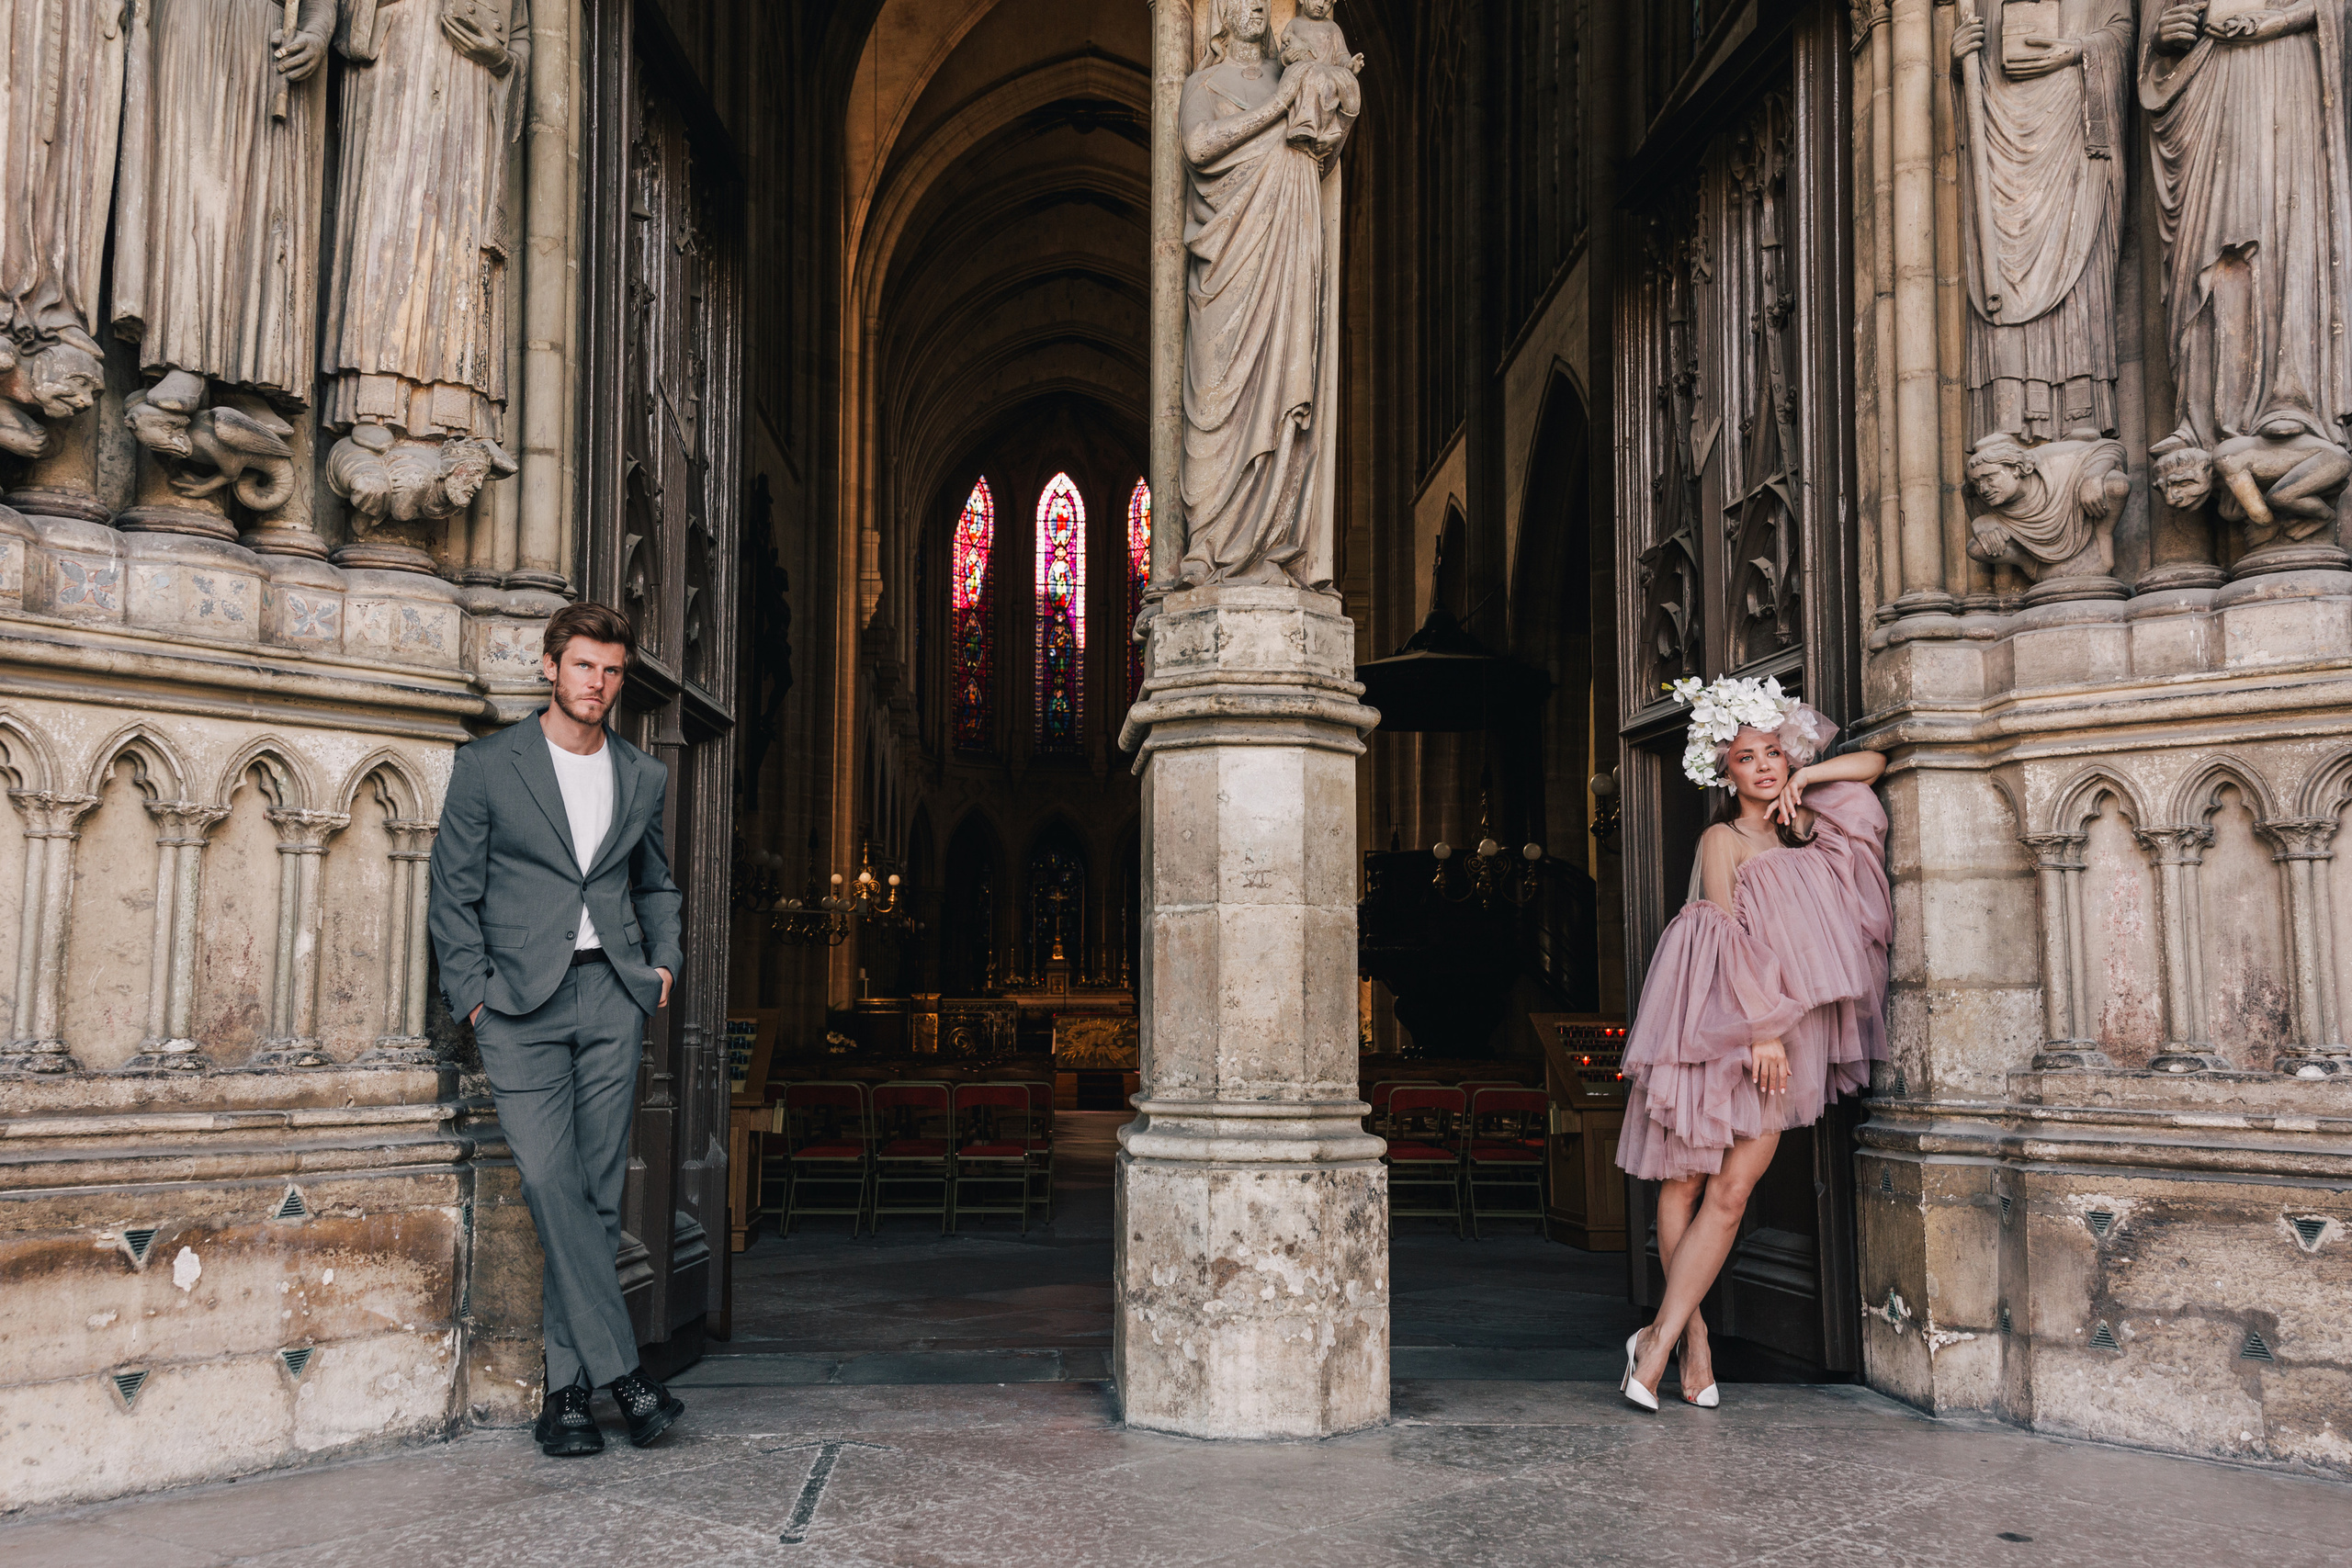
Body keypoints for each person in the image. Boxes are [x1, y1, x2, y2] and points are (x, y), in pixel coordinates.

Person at [427, 602, 688, 1456]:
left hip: (612, 994)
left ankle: (567, 1398)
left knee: (598, 1192)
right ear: (551, 666)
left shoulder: (641, 775)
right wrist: (473, 994)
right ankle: (628, 1375)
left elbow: (657, 883)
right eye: (583, 666)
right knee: (550, 1180)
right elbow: (452, 892)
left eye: (612, 671)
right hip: (518, 1007)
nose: (598, 684)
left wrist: (662, 964)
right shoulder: (490, 765)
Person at [1613, 675, 1891, 1411]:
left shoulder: (1811, 827)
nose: (1764, 767)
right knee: (1685, 1184)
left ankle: (1655, 1341)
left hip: (1784, 1045)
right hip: (1726, 1034)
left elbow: (1874, 767)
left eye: (1773, 752)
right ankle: (1687, 1341)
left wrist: (1812, 772)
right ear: (1723, 769)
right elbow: (1722, 934)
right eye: (1746, 757)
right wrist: (1763, 1029)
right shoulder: (1721, 838)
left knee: (1732, 1197)